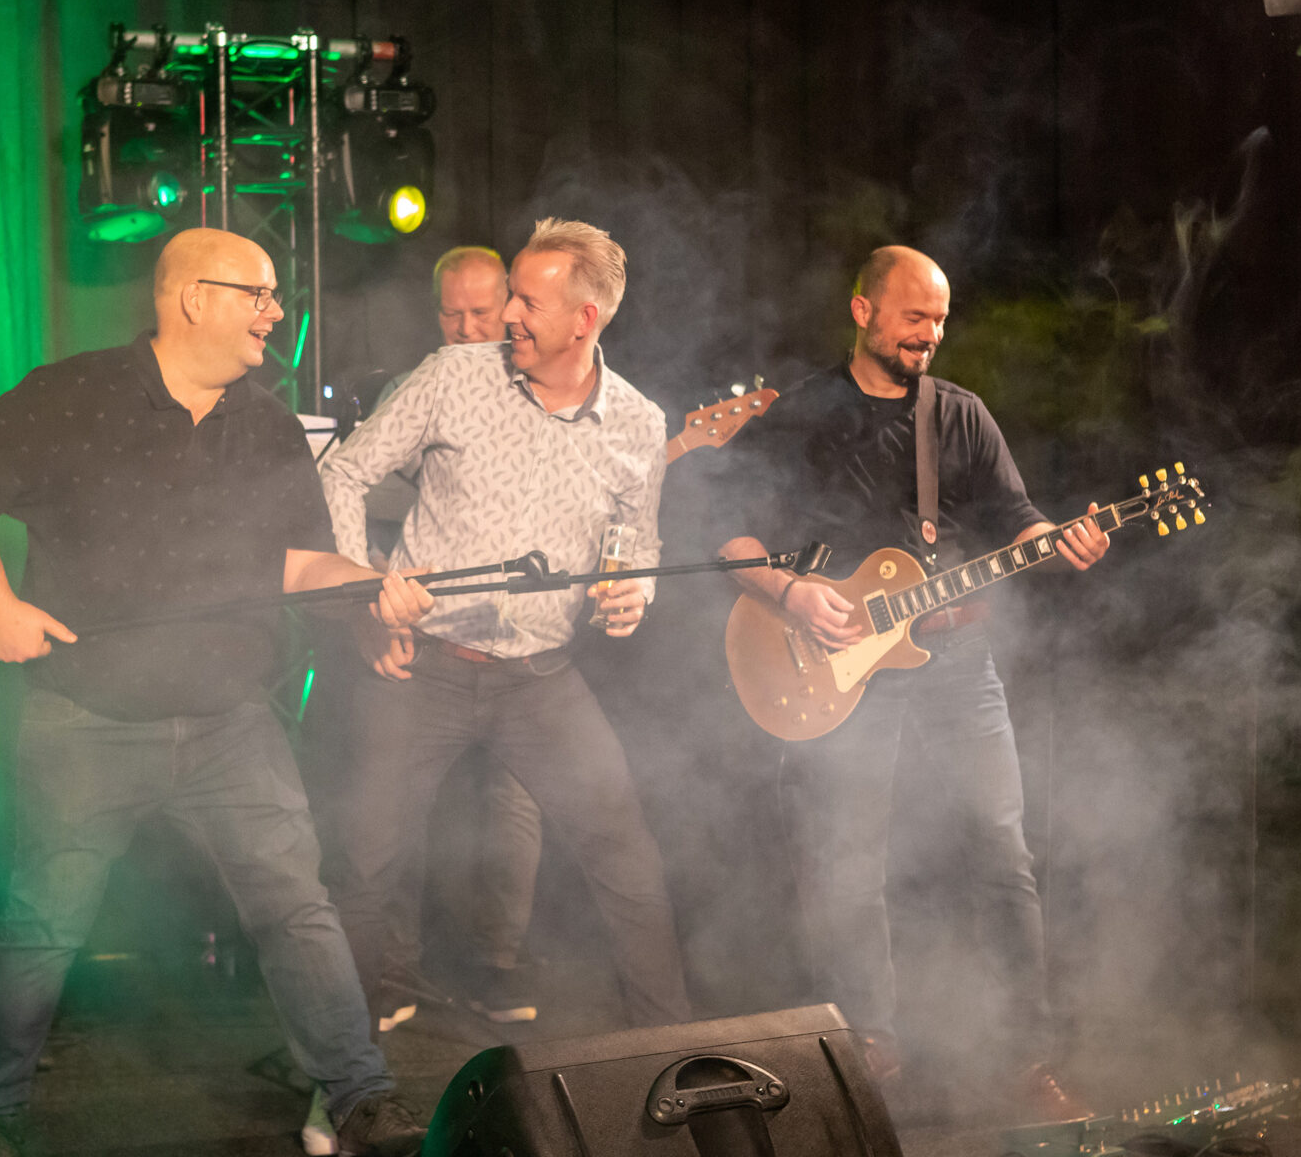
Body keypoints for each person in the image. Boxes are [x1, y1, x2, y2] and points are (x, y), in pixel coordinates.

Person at [0, 228, 433, 1157]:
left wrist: (368, 584)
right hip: (88, 720)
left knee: (296, 908)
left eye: (276, 296)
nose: (277, 313)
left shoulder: (268, 424)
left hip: (231, 723)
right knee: (44, 927)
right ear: (192, 297)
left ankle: (360, 1097)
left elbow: (297, 561)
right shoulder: (72, 395)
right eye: (258, 294)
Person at [717, 245, 1108, 1120]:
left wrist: (1063, 539)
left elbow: (1018, 524)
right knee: (850, 866)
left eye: (938, 319)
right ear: (862, 311)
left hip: (957, 664)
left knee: (1003, 855)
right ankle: (870, 1060)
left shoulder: (960, 417)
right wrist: (791, 593)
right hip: (840, 668)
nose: (928, 334)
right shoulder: (806, 410)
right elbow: (729, 537)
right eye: (911, 316)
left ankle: (1024, 1060)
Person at [318, 218, 692, 1031]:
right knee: (364, 866)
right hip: (422, 668)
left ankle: (674, 1058)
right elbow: (342, 470)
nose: (507, 315)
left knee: (628, 862)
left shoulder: (638, 422)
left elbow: (639, 541)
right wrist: (363, 595)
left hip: (540, 681)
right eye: (510, 295)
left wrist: (634, 593)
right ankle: (341, 1080)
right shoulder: (455, 375)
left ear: (586, 318)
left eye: (527, 300)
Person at [334, 245, 549, 1032]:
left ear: (511, 309)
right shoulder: (419, 385)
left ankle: (500, 967)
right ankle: (392, 974)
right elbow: (355, 480)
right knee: (396, 809)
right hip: (419, 636)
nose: (465, 328)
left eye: (481, 314)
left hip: (513, 638)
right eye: (451, 314)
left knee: (513, 804)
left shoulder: (544, 385)